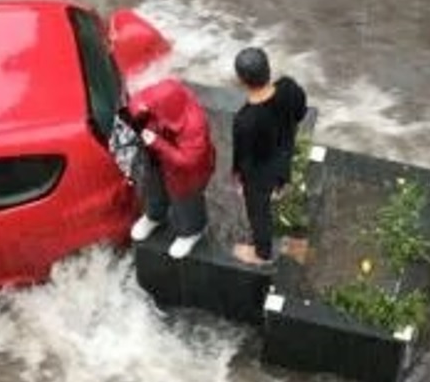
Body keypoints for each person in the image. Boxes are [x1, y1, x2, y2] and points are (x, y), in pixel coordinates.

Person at [230, 47, 308, 265]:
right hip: (284, 155)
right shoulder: (289, 87)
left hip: (261, 174)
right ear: (268, 69)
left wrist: (239, 179)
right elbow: (301, 112)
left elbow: (244, 159)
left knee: (258, 211)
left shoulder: (244, 120)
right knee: (277, 183)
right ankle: (280, 188)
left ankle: (261, 253)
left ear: (241, 80)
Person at [122, 78, 216, 259]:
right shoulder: (158, 97)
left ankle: (191, 232)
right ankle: (154, 215)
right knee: (152, 186)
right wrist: (138, 111)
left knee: (186, 200)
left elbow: (189, 160)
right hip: (156, 158)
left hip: (186, 174)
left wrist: (158, 143)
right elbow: (137, 102)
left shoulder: (195, 124)